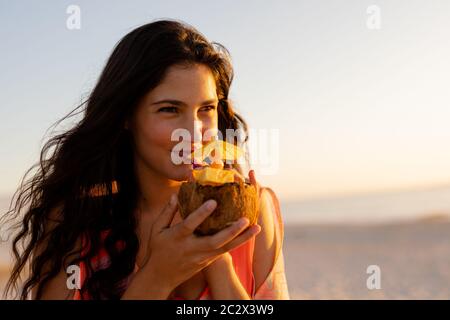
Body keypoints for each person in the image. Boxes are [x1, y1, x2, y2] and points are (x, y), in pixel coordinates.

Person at [3, 19, 290, 300]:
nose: (193, 132)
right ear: (126, 116)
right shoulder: (73, 221)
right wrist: (158, 277)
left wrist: (218, 263)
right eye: (169, 109)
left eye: (206, 109)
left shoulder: (253, 211)